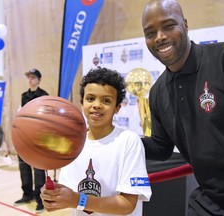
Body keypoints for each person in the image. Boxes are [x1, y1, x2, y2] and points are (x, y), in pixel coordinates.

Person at [141, 0, 224, 216]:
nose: (159, 37)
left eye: (168, 26)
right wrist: (113, 138)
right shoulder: (158, 93)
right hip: (206, 205)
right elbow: (161, 147)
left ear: (185, 24)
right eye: (150, 32)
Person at [40, 67, 151, 216]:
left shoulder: (129, 141)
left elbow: (127, 205)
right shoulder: (73, 144)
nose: (96, 105)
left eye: (106, 100)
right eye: (90, 98)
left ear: (117, 108)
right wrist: (54, 197)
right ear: (82, 103)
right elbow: (68, 194)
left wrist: (77, 200)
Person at [14, 68, 49, 214]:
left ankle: (40, 200)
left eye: (33, 77)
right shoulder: (23, 96)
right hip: (24, 135)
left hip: (39, 137)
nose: (30, 79)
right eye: (28, 77)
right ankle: (27, 195)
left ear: (39, 80)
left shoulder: (44, 95)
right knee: (24, 166)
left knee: (39, 169)